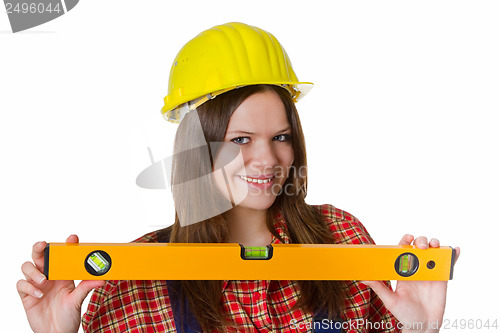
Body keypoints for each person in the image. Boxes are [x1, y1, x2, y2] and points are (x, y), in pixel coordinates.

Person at [17, 22, 460, 333]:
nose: (268, 158)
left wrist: (420, 329)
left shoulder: (342, 239)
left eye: (281, 136)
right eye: (242, 140)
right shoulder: (134, 280)